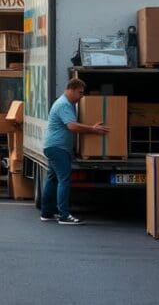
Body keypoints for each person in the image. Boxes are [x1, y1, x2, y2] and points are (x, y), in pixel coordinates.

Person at [40, 78, 109, 225]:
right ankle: (64, 216)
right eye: (80, 93)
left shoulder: (67, 103)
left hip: (53, 146)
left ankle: (46, 213)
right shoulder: (64, 104)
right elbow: (72, 126)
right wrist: (92, 129)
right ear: (71, 89)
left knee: (52, 180)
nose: (81, 96)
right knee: (64, 180)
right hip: (58, 148)